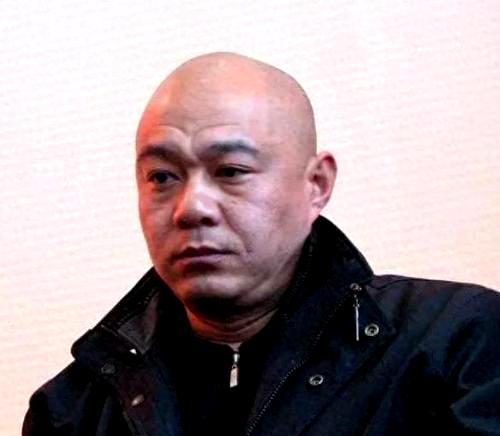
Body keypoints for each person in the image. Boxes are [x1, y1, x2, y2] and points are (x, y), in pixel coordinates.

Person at [23, 52, 500, 436]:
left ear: (316, 184)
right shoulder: (73, 410)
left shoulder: (458, 346)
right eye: (162, 177)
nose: (191, 208)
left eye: (230, 171)